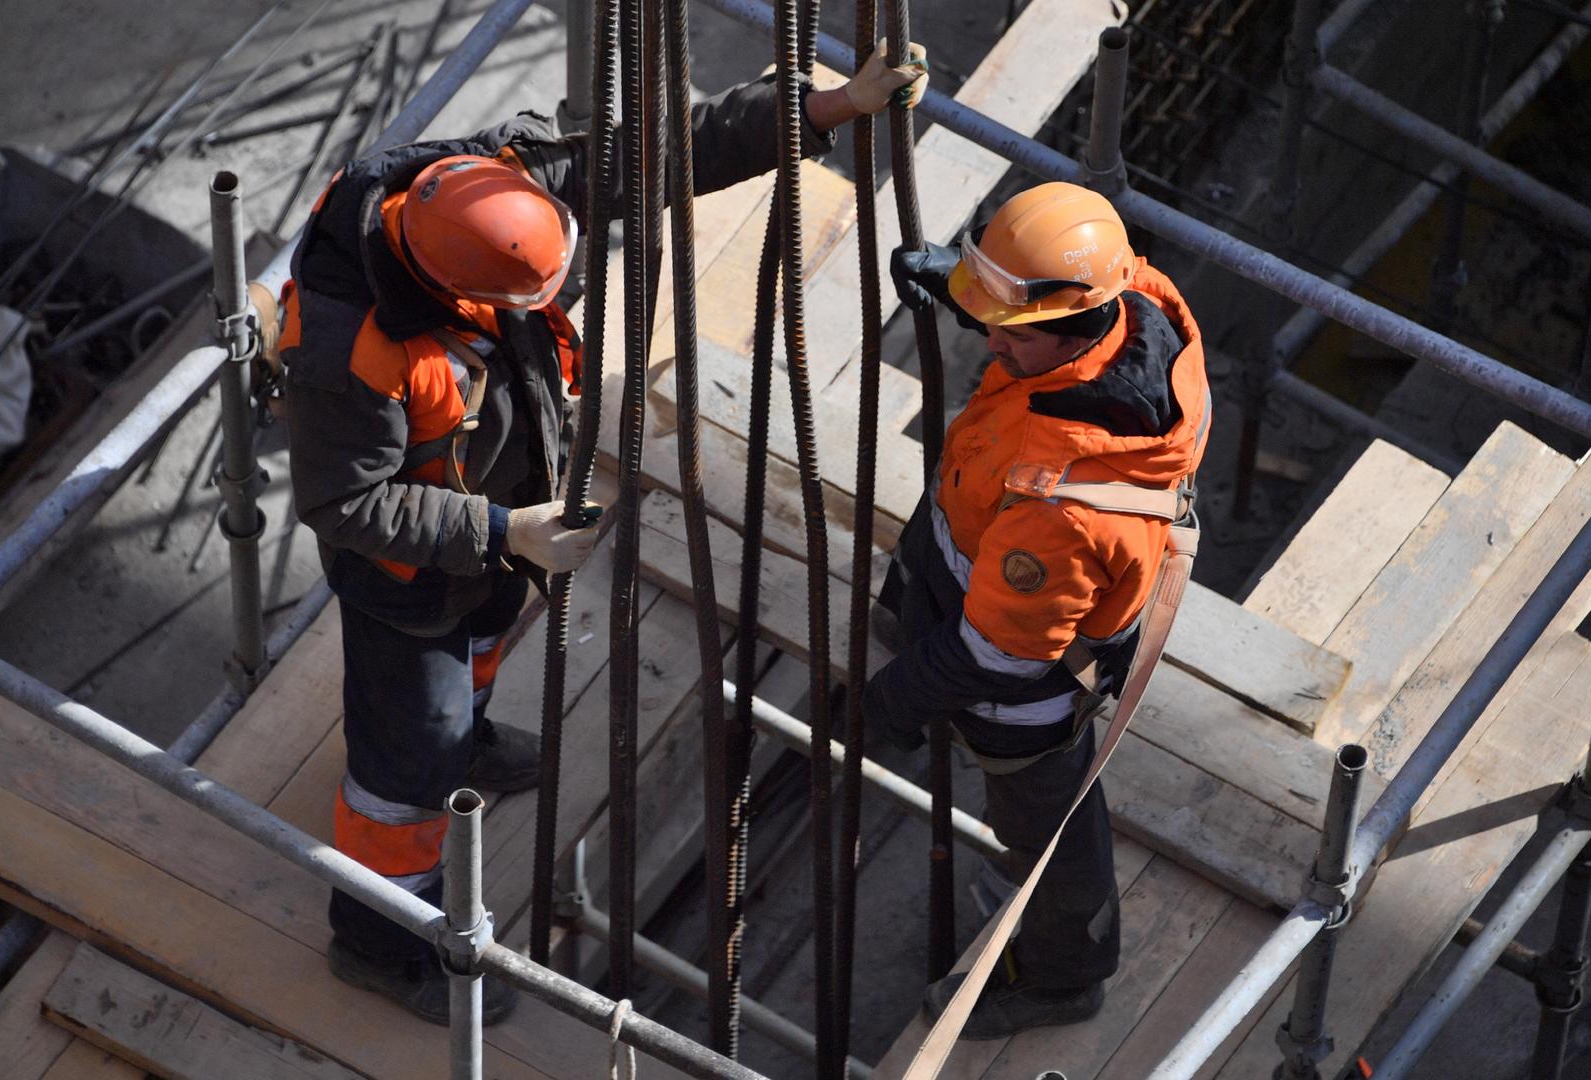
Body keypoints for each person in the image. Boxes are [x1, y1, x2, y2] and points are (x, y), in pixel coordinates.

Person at [278, 45, 930, 1026]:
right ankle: (381, 944)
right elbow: (347, 506)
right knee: (403, 777)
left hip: (496, 513)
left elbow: (662, 152)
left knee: (489, 639)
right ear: (463, 295)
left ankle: (471, 737)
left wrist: (831, 107)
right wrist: (505, 528)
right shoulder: (347, 348)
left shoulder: (496, 181)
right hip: (409, 569)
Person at [865, 181, 1210, 1039]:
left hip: (1021, 682)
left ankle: (1064, 977)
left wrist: (894, 701)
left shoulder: (1065, 509)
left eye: (1006, 330)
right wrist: (966, 283)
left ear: (1068, 331)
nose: (987, 339)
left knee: (1044, 827)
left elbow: (1000, 658)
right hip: (973, 546)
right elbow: (1048, 300)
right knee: (924, 615)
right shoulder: (1133, 298)